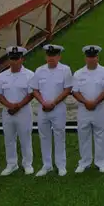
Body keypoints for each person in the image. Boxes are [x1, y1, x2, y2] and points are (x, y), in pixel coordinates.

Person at [30, 44, 74, 176]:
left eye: (54, 55)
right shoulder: (39, 71)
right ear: (46, 56)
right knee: (44, 136)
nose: (51, 58)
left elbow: (67, 89)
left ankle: (61, 165)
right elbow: (35, 89)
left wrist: (54, 103)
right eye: (49, 55)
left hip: (58, 108)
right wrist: (43, 102)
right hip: (43, 108)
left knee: (59, 136)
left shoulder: (65, 70)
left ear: (59, 56)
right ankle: (47, 165)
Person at [72, 45, 104, 173]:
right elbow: (75, 91)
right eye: (89, 57)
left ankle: (102, 162)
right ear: (85, 58)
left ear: (97, 57)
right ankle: (84, 162)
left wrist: (95, 102)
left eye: (94, 57)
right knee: (83, 136)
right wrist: (86, 102)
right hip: (83, 109)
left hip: (99, 108)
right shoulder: (78, 73)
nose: (91, 59)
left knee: (101, 136)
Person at [0, 46, 35, 176]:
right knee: (9, 139)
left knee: (25, 138)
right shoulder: (2, 76)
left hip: (23, 111)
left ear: (22, 59)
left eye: (17, 58)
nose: (14, 61)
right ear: (8, 60)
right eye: (12, 59)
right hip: (7, 112)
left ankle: (27, 164)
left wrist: (18, 106)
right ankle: (11, 164)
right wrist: (9, 106)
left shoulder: (30, 75)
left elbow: (31, 94)